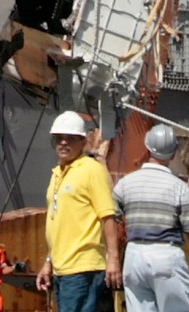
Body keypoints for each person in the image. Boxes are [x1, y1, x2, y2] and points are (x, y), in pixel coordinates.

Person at [109, 123, 189, 312]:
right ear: (172, 154)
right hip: (166, 255)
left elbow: (109, 219)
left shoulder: (125, 184)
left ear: (147, 148)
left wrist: (112, 257)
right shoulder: (179, 188)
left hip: (133, 257)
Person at [36, 110, 114, 312]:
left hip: (84, 268)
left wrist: (113, 259)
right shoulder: (57, 174)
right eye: (59, 138)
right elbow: (60, 225)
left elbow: (108, 216)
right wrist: (48, 262)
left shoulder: (92, 170)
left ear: (82, 141)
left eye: (70, 138)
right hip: (62, 269)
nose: (63, 143)